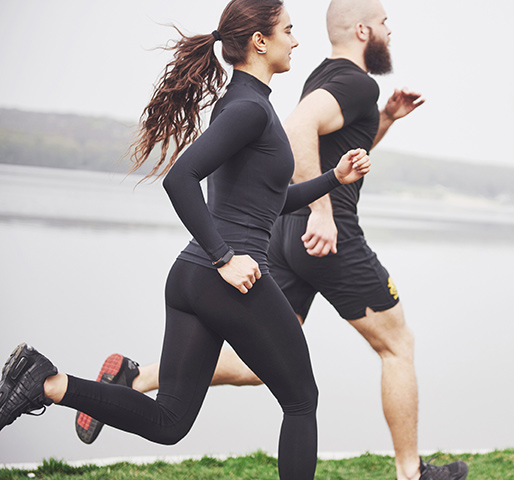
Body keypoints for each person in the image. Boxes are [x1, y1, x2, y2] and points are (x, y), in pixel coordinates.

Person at [74, 1, 468, 479]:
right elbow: (289, 132)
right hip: (309, 242)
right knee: (387, 350)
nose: (296, 40)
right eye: (288, 30)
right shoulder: (344, 84)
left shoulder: (301, 84)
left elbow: (282, 177)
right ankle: (411, 473)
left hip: (267, 242)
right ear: (363, 30)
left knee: (250, 373)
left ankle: (122, 380)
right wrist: (312, 217)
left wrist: (362, 145)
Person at [0, 1, 373, 478]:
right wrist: (225, 258)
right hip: (227, 278)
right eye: (288, 30)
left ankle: (46, 382)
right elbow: (180, 179)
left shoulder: (245, 106)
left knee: (170, 420)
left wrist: (332, 180)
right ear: (260, 41)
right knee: (302, 400)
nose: (296, 41)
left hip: (192, 280)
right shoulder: (249, 110)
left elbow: (268, 201)